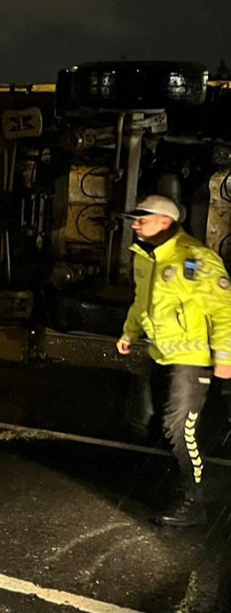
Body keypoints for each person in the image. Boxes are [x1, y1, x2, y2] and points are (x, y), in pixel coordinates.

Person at [117, 195, 231, 527]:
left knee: (181, 429)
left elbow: (223, 310)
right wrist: (130, 333)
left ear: (165, 222)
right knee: (155, 424)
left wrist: (225, 356)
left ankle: (194, 502)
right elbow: (142, 302)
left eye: (143, 218)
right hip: (162, 355)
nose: (136, 223)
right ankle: (176, 485)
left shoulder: (194, 258)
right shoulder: (146, 256)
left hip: (192, 359)